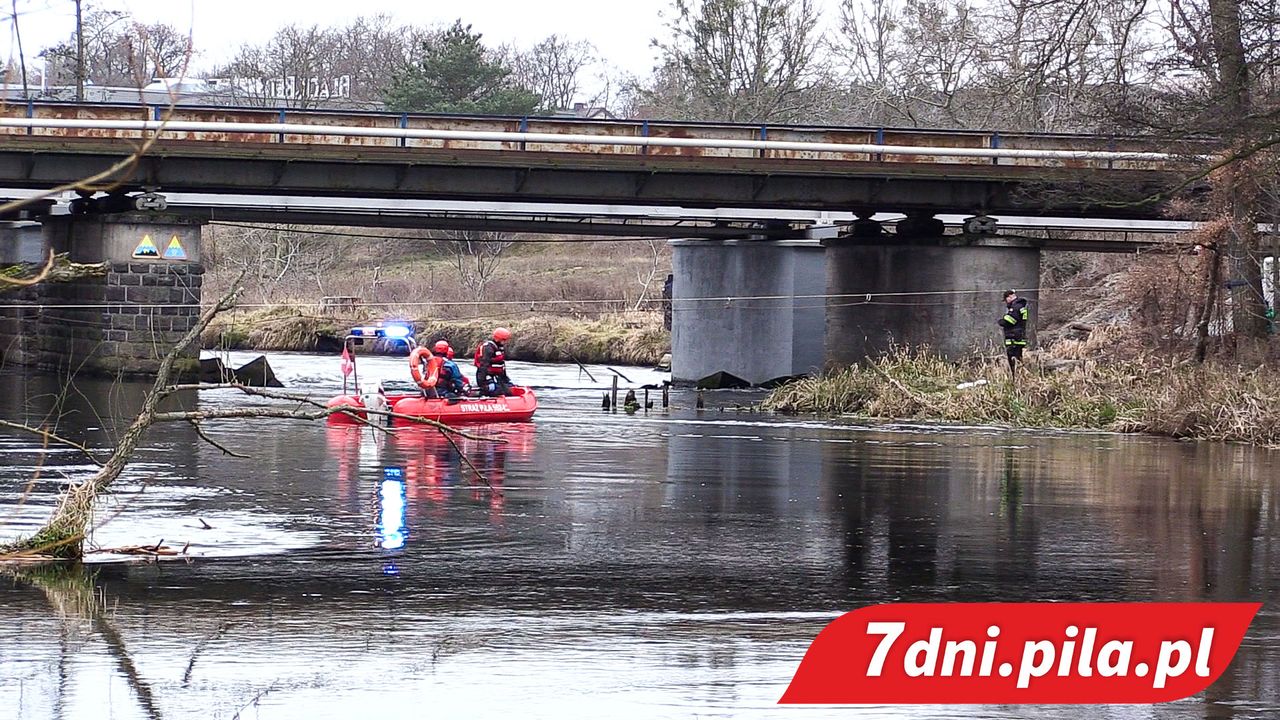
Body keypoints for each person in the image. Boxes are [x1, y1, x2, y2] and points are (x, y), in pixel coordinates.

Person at [998, 289, 1030, 379]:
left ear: (1010, 296)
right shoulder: (1021, 306)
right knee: (1018, 357)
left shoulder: (1016, 307)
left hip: (1013, 336)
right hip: (1019, 335)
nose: (1006, 302)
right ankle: (1019, 376)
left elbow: (1011, 320)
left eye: (1006, 299)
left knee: (1013, 358)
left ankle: (1015, 377)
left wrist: (1002, 321)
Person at [475, 327, 514, 397]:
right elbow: (483, 365)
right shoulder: (488, 348)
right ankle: (480, 394)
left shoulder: (499, 348)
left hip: (497, 376)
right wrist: (482, 382)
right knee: (495, 390)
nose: (505, 342)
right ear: (498, 339)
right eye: (504, 340)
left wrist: (505, 379)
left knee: (508, 391)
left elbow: (501, 366)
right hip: (487, 376)